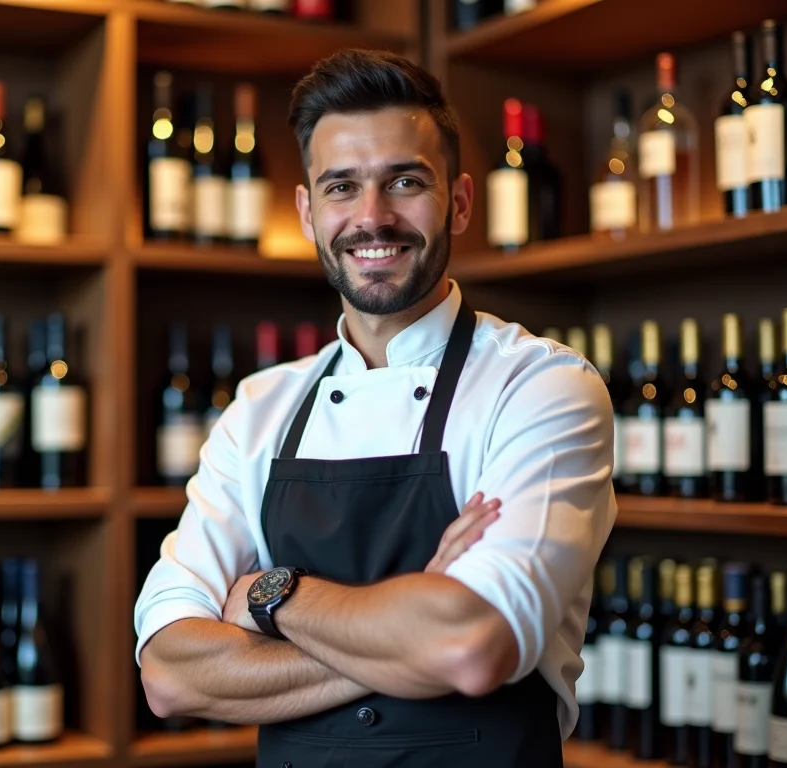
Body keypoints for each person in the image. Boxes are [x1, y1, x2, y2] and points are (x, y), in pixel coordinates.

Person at [133, 48, 616, 767]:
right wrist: (417, 615)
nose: (372, 217)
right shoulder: (259, 411)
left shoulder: (541, 387)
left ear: (459, 202)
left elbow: (472, 645)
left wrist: (272, 597)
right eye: (341, 187)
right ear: (307, 213)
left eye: (405, 182)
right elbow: (170, 674)